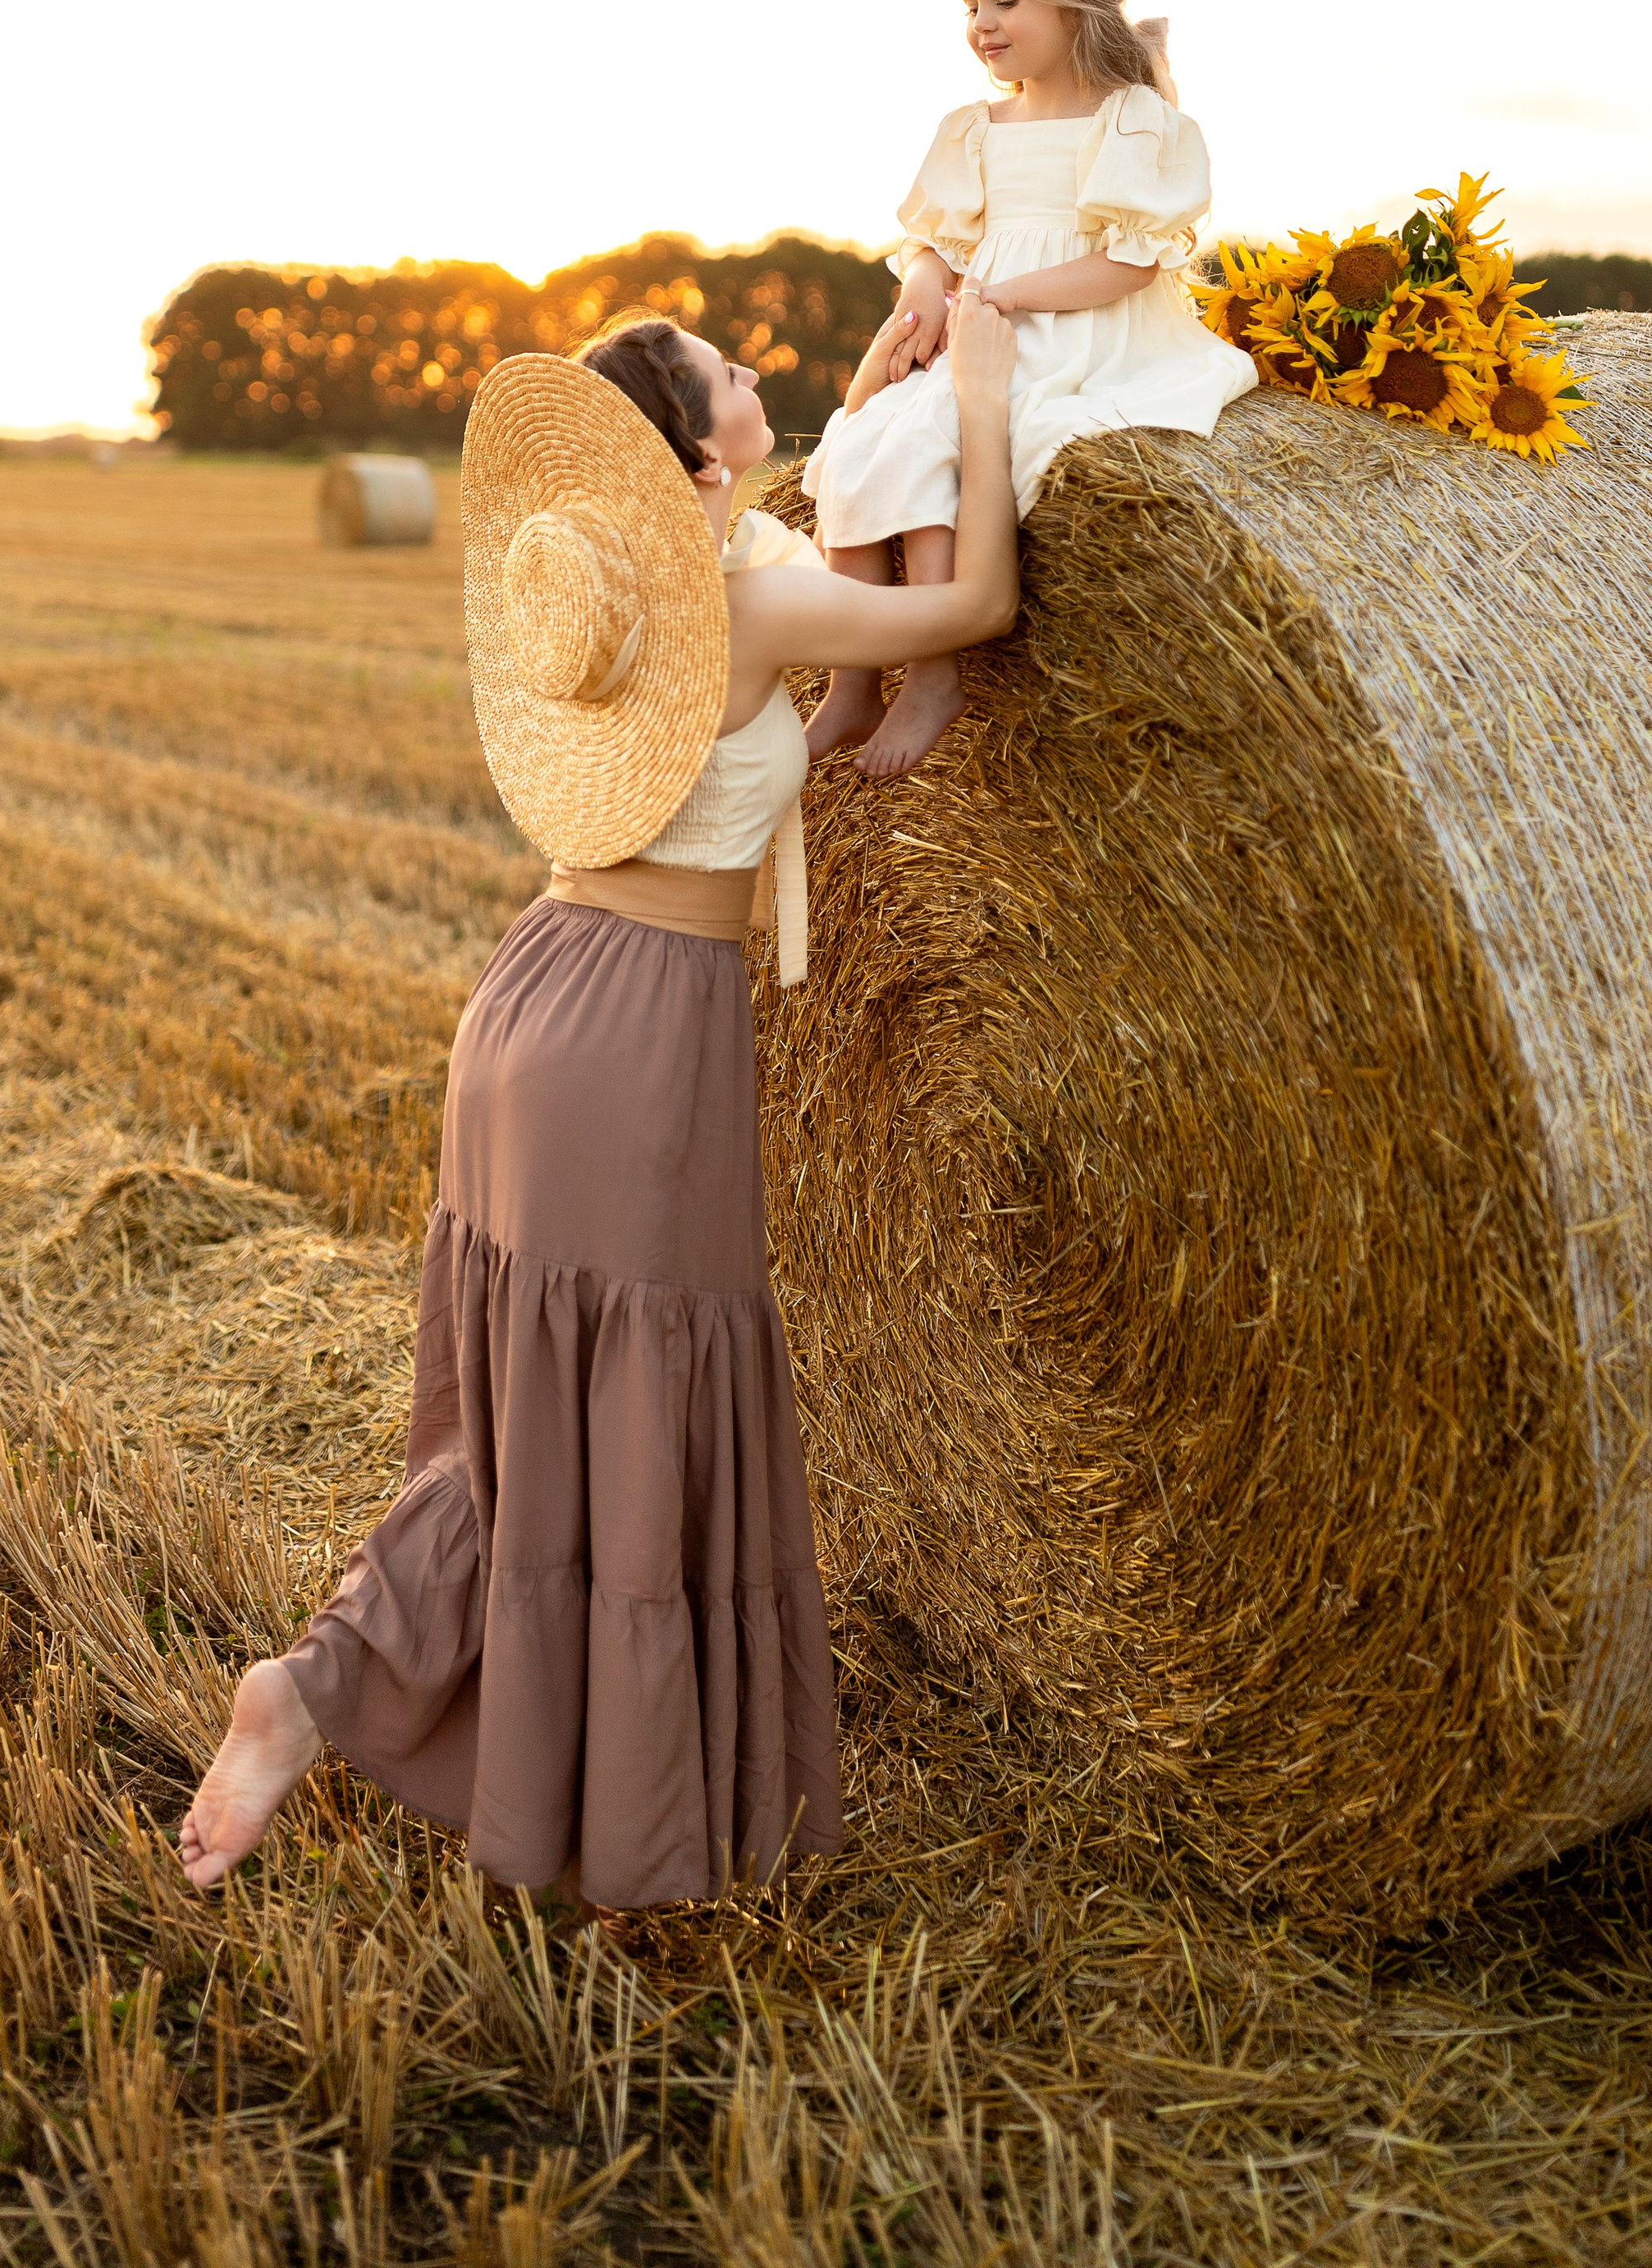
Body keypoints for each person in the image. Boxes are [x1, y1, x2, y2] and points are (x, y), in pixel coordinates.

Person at [178, 287, 1021, 1908]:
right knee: (614, 1412)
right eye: (728, 376)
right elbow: (970, 596)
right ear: (696, 456)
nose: (755, 372)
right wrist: (978, 396)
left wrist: (890, 360)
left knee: (526, 1422)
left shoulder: (642, 583)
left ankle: (350, 1686)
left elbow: (799, 505)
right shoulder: (751, 614)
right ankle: (313, 1691)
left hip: (536, 1004)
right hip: (633, 1039)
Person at [802, 0, 1256, 780]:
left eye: (1005, 1)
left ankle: (933, 671)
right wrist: (930, 288)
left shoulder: (1132, 120)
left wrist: (1001, 296)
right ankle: (850, 677)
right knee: (857, 443)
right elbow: (934, 241)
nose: (983, 22)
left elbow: (1129, 262)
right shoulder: (973, 128)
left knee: (946, 440)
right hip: (983, 313)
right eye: (970, 4)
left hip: (1079, 328)